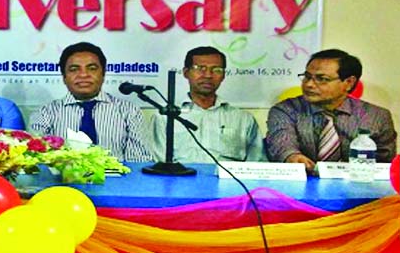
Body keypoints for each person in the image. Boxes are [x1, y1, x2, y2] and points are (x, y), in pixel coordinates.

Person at [266, 49, 397, 173]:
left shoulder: (377, 117)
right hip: (301, 187)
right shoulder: (285, 110)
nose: (309, 84)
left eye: (322, 79)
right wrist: (292, 157)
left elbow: (384, 166)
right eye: (307, 76)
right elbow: (282, 143)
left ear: (349, 83)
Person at [29, 42, 152, 162]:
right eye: (74, 69)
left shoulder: (129, 111)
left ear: (103, 74)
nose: (83, 74)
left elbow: (138, 162)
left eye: (92, 68)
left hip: (118, 181)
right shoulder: (45, 113)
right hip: (63, 181)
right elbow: (36, 161)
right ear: (64, 77)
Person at [148, 46, 265, 163]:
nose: (208, 75)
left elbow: (258, 166)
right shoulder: (165, 117)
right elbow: (158, 164)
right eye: (200, 68)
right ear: (186, 73)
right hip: (179, 180)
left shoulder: (243, 119)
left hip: (229, 181)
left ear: (223, 75)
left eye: (216, 70)